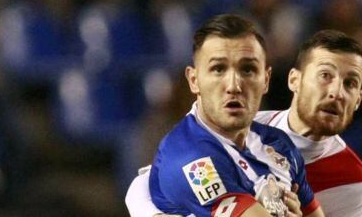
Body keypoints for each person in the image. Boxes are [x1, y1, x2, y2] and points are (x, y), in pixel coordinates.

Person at [127, 28, 362, 217]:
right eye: (325, 76)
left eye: (350, 84)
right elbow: (143, 191)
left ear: (359, 100)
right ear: (293, 80)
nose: (337, 91)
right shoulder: (243, 126)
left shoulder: (354, 182)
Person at [139, 14, 325, 216]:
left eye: (248, 69)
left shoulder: (279, 144)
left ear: (266, 80)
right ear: (194, 80)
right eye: (218, 69)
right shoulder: (189, 159)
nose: (234, 85)